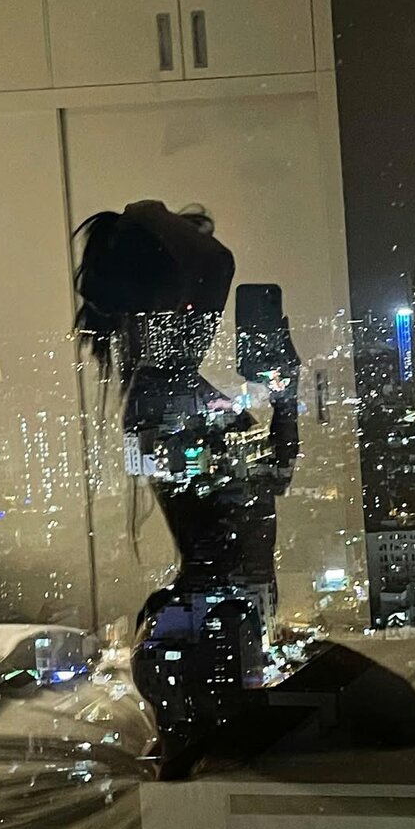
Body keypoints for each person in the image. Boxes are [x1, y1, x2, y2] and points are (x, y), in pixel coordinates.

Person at [74, 200, 299, 769]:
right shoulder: (161, 399)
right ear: (156, 312)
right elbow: (265, 480)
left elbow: (272, 476)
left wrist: (286, 395)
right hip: (204, 641)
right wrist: (283, 399)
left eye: (208, 311)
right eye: (194, 309)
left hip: (222, 629)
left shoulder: (183, 390)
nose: (206, 324)